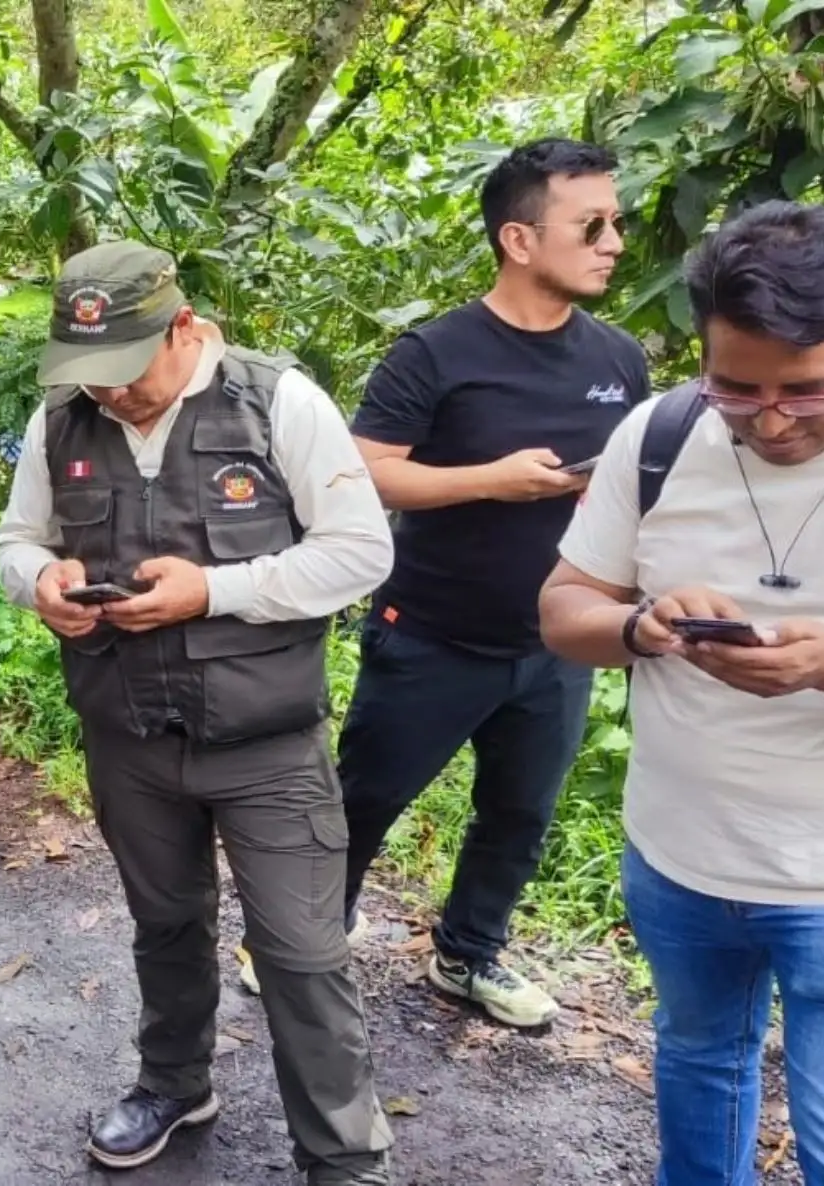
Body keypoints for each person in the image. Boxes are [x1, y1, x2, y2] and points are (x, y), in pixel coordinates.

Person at [0, 239, 397, 1183]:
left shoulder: (277, 402)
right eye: (90, 372)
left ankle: (344, 1157)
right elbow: (16, 539)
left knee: (301, 954)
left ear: (182, 328)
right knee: (165, 923)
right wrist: (39, 581)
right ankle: (174, 1082)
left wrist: (212, 590)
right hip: (127, 733)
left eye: (127, 369)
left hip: (267, 745)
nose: (109, 391)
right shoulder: (62, 419)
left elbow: (360, 552)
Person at [540, 201, 824, 1186]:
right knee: (700, 1067)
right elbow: (564, 608)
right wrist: (642, 626)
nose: (771, 420)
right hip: (682, 858)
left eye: (807, 392)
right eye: (736, 389)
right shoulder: (659, 435)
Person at [337, 137, 649, 1028]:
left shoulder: (619, 359)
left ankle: (468, 953)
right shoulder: (435, 353)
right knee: (364, 799)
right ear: (519, 238)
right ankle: (307, 934)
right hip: (431, 632)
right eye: (591, 225)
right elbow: (362, 474)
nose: (614, 242)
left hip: (556, 641)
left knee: (518, 814)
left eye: (615, 221)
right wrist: (490, 480)